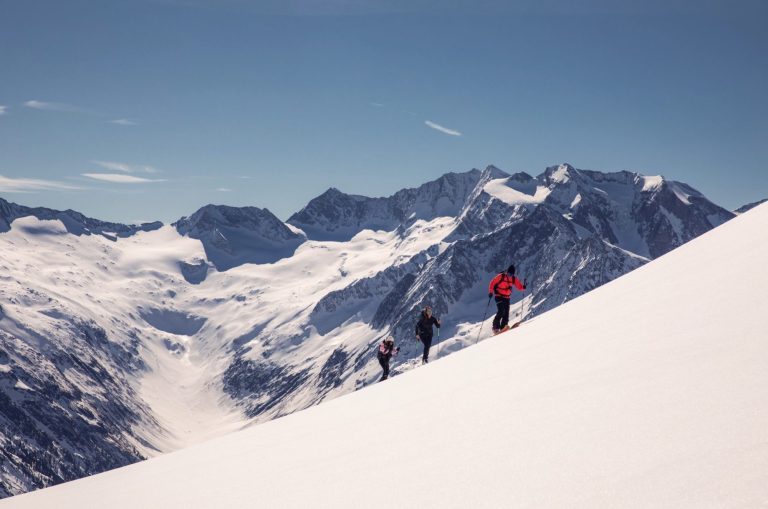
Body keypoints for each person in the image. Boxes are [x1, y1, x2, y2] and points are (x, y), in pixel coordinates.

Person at [488, 265, 526, 334]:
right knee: (501, 311)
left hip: (507, 298)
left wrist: (523, 287)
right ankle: (495, 327)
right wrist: (490, 292)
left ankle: (503, 327)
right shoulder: (501, 276)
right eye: (508, 274)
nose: (509, 275)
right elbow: (492, 283)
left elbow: (519, 286)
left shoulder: (513, 279)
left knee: (506, 313)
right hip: (499, 296)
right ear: (506, 272)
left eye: (511, 274)